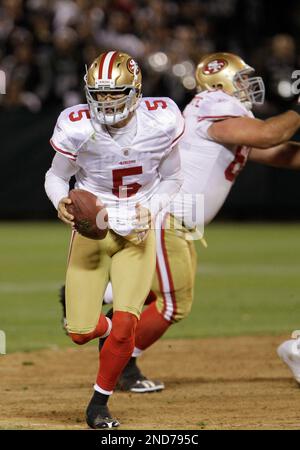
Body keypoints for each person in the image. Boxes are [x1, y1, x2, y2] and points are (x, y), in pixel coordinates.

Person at [59, 52, 300, 393]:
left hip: (180, 223)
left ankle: (106, 304)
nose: (247, 88)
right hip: (166, 216)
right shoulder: (213, 105)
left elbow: (278, 151)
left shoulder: (228, 121)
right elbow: (269, 136)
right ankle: (122, 360)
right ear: (219, 85)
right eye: (241, 80)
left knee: (163, 295)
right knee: (173, 303)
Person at [45, 50, 184, 428]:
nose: (105, 101)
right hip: (93, 230)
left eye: (114, 92)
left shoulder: (162, 118)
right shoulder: (75, 124)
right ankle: (102, 324)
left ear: (135, 91)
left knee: (126, 325)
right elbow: (56, 175)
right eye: (98, 93)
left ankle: (99, 404)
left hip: (137, 231)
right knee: (80, 332)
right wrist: (60, 200)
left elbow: (173, 178)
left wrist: (151, 208)